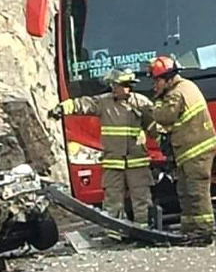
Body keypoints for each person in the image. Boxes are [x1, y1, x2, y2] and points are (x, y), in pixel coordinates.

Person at [52, 68, 158, 228]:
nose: (113, 88)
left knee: (142, 198)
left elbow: (155, 127)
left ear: (128, 86)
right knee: (112, 200)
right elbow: (83, 104)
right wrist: (63, 108)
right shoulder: (104, 102)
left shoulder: (141, 103)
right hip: (113, 163)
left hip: (137, 162)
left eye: (117, 85)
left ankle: (145, 229)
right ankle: (115, 230)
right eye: (113, 85)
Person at [147, 56, 216, 246]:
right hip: (190, 152)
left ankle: (204, 232)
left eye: (157, 81)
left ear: (168, 78)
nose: (155, 85)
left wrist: (153, 104)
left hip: (196, 151)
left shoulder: (175, 94)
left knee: (196, 192)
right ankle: (190, 229)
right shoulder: (186, 86)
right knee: (185, 191)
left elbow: (164, 116)